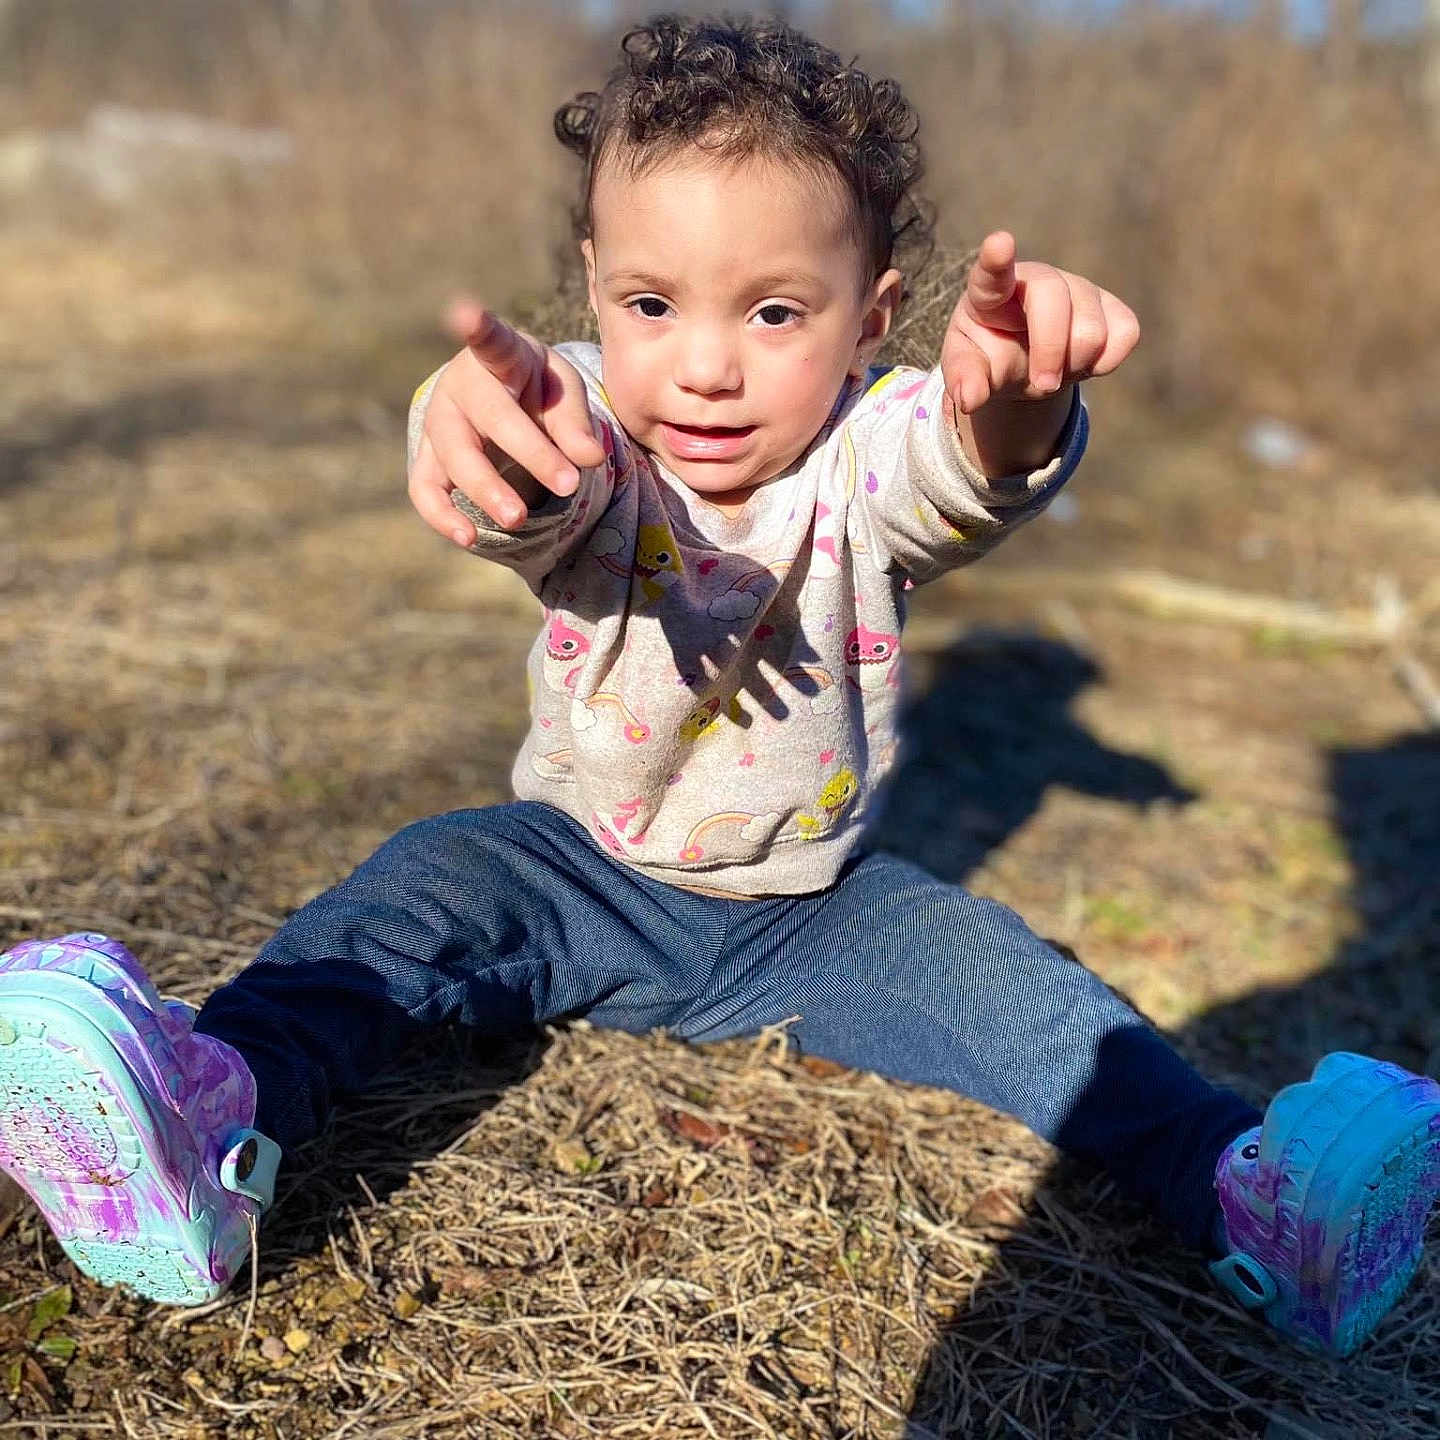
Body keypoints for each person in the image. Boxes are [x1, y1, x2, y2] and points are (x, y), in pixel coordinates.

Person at [1, 13, 1437, 1359]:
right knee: (403, 903)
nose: (702, 365)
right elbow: (534, 468)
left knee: (1029, 999)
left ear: (872, 321)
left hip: (812, 911)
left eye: (771, 313)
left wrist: (1015, 400)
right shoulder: (593, 427)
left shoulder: (869, 459)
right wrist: (472, 425)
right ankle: (205, 1141)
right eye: (649, 301)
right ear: (591, 290)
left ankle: (1256, 1208)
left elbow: (961, 467)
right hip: (572, 867)